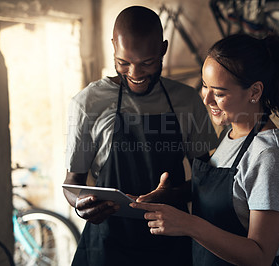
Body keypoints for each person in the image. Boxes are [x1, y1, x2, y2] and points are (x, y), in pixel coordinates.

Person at [63, 6, 218, 266]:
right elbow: (72, 183)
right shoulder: (87, 103)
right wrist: (82, 204)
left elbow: (206, 181)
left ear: (163, 49)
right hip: (108, 248)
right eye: (124, 63)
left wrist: (174, 196)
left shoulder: (186, 101)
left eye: (147, 63)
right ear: (113, 46)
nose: (135, 74)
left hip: (170, 246)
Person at [131, 33, 279, 266]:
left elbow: (260, 256)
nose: (206, 99)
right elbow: (231, 195)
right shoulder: (230, 134)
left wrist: (188, 224)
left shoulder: (269, 158)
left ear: (254, 92)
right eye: (204, 86)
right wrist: (172, 195)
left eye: (219, 93)